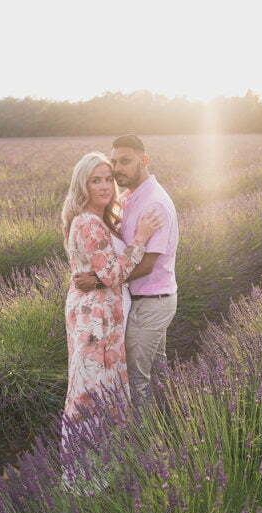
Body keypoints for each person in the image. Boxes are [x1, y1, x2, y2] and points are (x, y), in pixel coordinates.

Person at [60, 152, 162, 492]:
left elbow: (103, 273)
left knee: (95, 388)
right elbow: (115, 272)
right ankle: (87, 480)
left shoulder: (94, 220)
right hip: (96, 321)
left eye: (108, 179)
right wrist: (141, 238)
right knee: (94, 390)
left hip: (100, 316)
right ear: (82, 185)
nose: (105, 185)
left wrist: (101, 277)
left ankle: (98, 472)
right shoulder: (88, 222)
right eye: (96, 180)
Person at [74, 135, 179, 409]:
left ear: (144, 160)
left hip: (151, 303)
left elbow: (147, 264)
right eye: (114, 162)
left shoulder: (153, 203)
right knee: (156, 373)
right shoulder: (131, 198)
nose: (118, 168)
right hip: (144, 302)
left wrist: (98, 281)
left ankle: (146, 441)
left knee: (136, 378)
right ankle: (170, 428)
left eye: (126, 161)